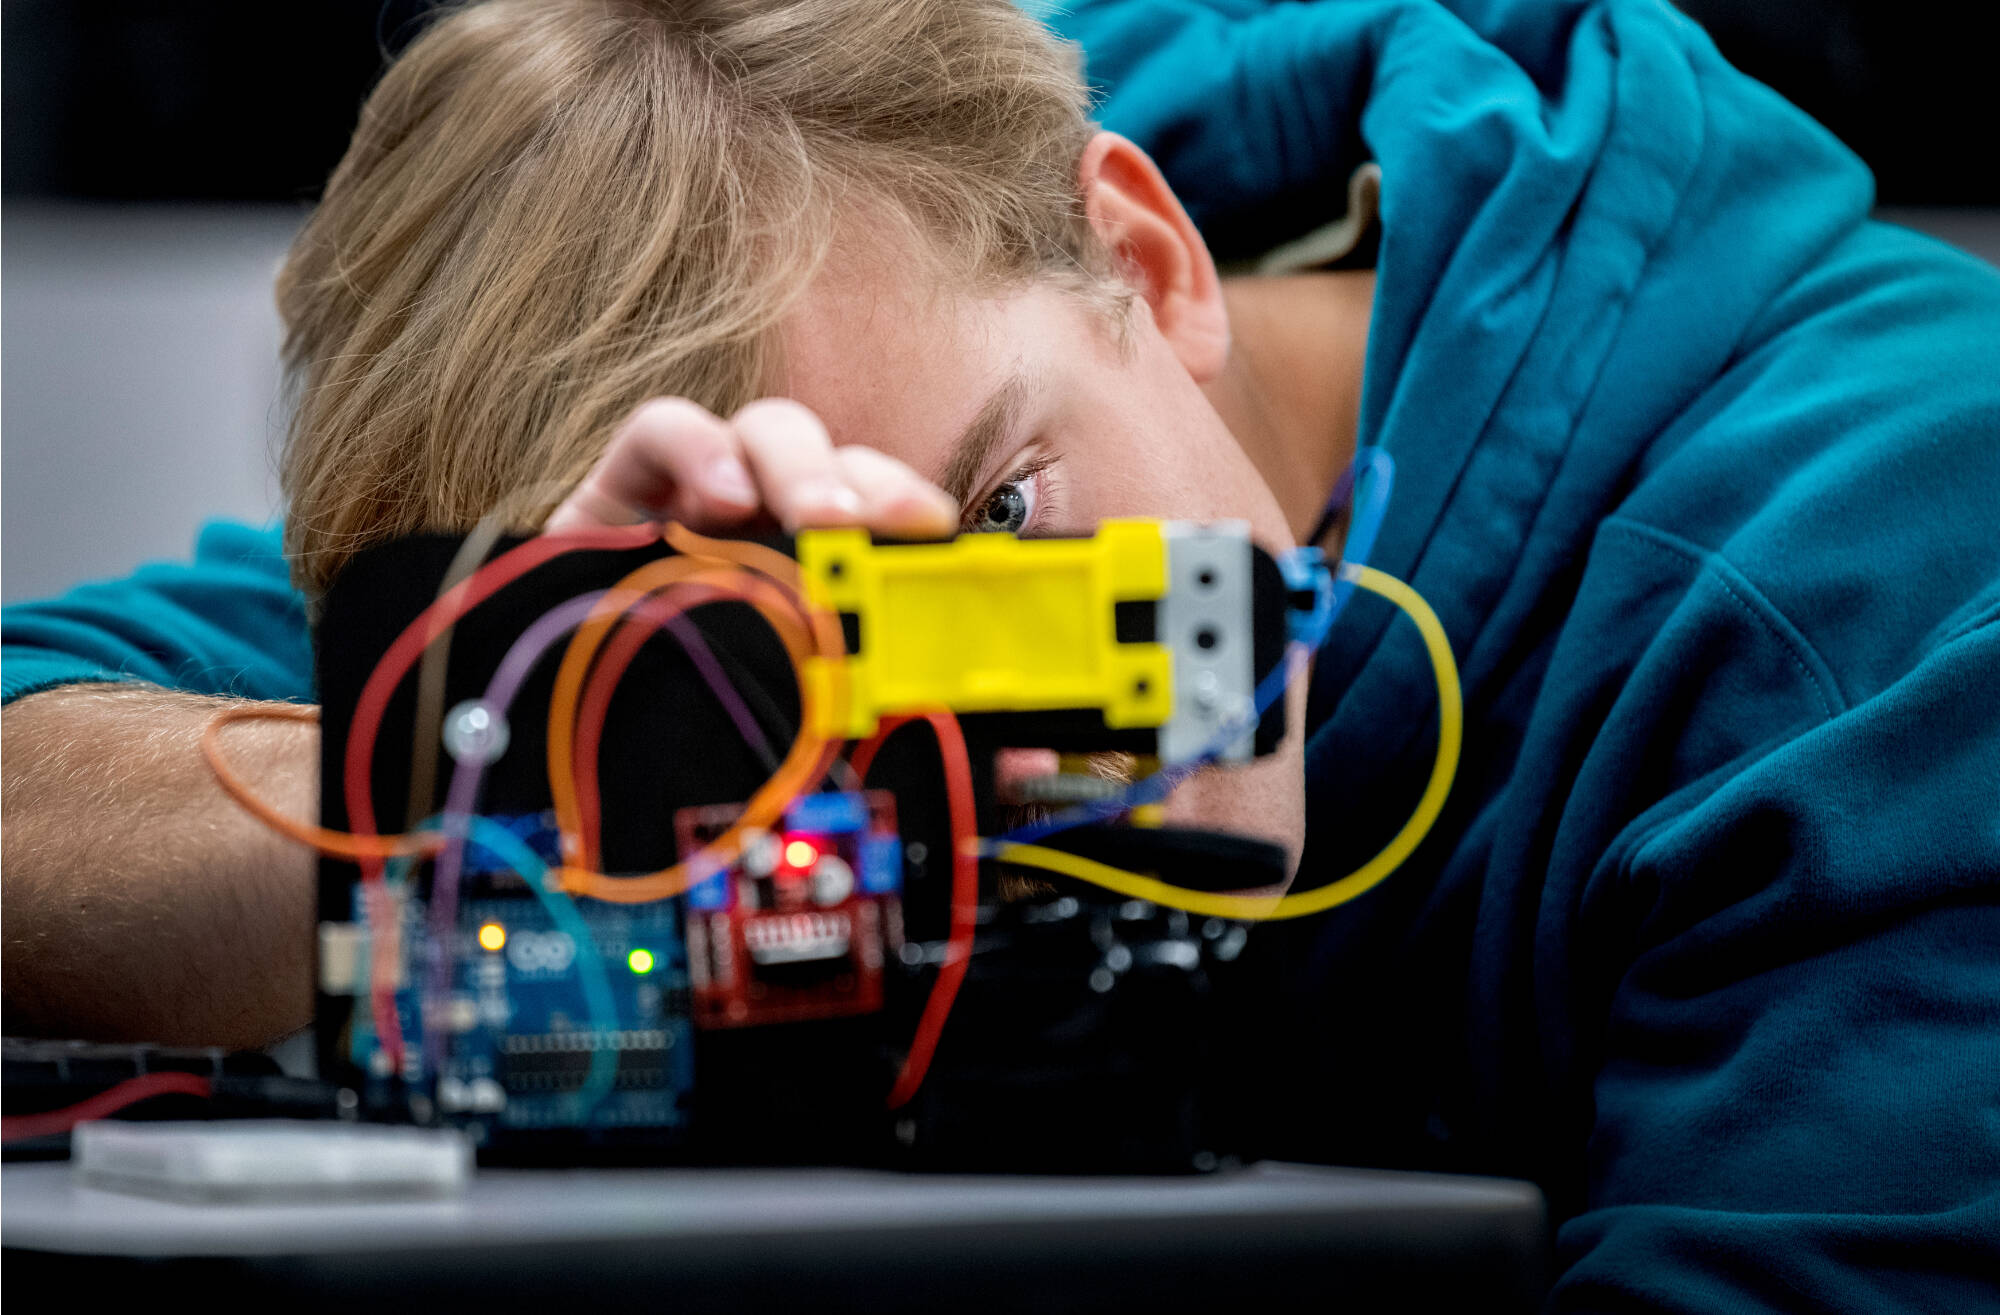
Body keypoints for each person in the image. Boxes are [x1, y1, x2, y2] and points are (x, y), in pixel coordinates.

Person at [4, 0, 1996, 1305]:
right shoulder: (797, 376)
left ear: (1149, 257)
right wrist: (552, 770)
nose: (996, 750)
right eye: (848, 635)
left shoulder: (1885, 606)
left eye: (1002, 533)